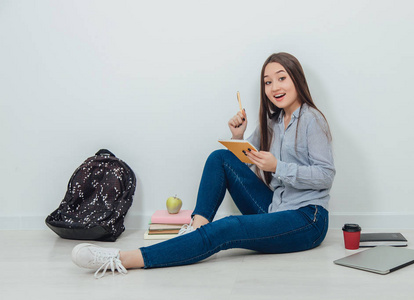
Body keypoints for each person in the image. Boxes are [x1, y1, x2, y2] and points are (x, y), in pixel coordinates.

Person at [71, 52, 335, 279]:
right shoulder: (272, 122)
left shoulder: (312, 120)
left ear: (296, 80)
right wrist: (237, 137)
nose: (274, 86)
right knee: (219, 157)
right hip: (274, 206)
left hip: (307, 218)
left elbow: (326, 176)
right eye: (268, 82)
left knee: (229, 227)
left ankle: (123, 259)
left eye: (281, 78)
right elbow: (244, 158)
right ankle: (196, 229)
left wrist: (278, 166)